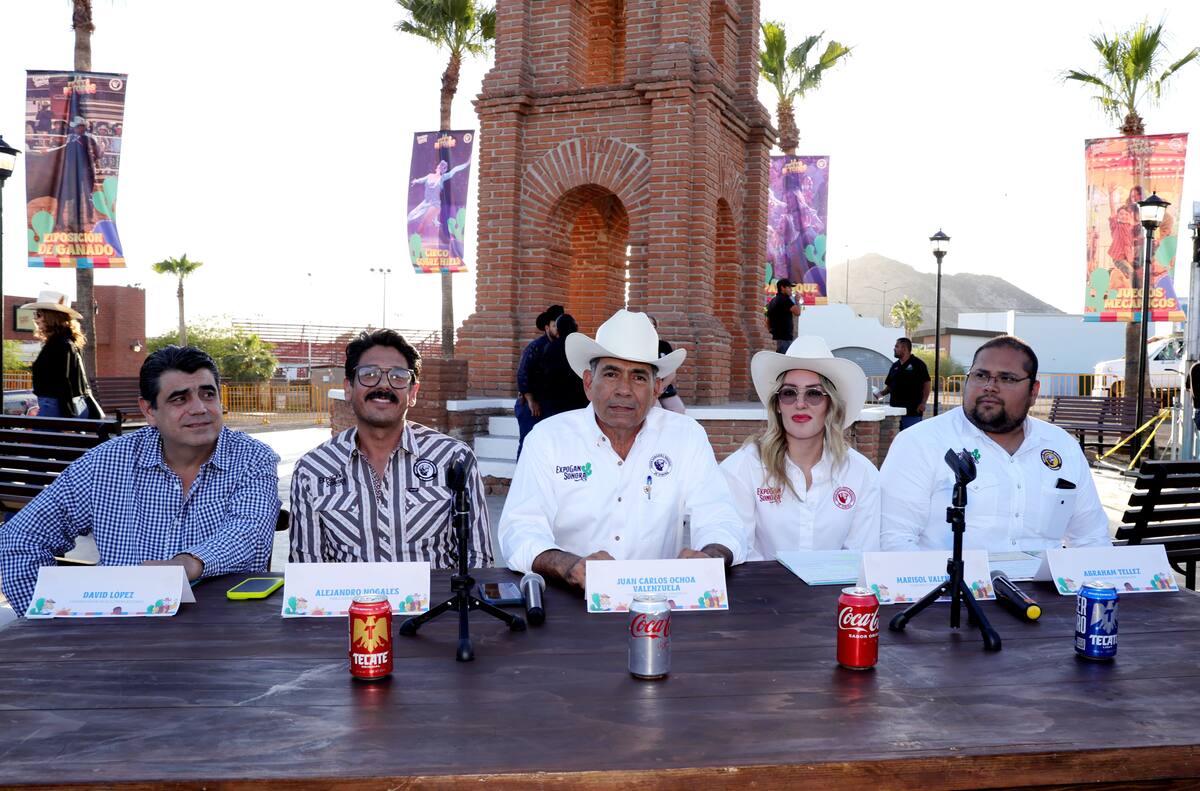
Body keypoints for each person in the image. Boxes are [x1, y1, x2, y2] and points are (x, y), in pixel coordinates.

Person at [0, 346, 281, 616]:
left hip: (221, 626)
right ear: (149, 411)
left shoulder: (252, 458)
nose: (199, 408)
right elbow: (19, 540)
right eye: (179, 399)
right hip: (120, 623)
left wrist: (189, 563)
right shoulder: (106, 463)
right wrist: (50, 617)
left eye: (208, 394)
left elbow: (248, 533)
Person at [498, 309, 747, 589]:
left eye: (638, 377)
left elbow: (720, 517)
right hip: (568, 597)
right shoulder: (547, 439)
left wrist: (710, 557)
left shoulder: (686, 436)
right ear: (589, 383)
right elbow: (520, 529)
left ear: (657, 389)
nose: (624, 390)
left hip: (659, 598)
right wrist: (568, 566)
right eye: (611, 374)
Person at [879, 335, 1111, 552]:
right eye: (980, 375)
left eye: (1007, 378)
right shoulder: (920, 443)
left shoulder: (1062, 446)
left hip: (1045, 583)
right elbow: (893, 541)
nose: (990, 386)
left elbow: (1091, 539)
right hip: (950, 582)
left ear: (1033, 391)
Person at [289, 330, 491, 568]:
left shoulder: (453, 459)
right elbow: (306, 569)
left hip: (436, 594)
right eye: (369, 374)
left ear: (413, 392)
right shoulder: (313, 469)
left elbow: (478, 560)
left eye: (398, 376)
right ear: (348, 388)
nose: (384, 384)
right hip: (348, 595)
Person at [721, 337, 880, 558]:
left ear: (831, 405)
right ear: (778, 405)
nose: (800, 403)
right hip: (760, 582)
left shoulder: (861, 473)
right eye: (789, 393)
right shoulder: (743, 467)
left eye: (814, 393)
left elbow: (862, 558)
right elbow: (738, 549)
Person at [23, 291, 100, 419]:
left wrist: (67, 415)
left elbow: (64, 381)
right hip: (65, 404)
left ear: (51, 317)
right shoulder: (68, 341)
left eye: (39, 314)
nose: (36, 319)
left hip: (55, 405)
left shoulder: (59, 343)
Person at [515, 304, 563, 457]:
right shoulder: (536, 347)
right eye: (555, 326)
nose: (558, 329)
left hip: (551, 406)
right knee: (528, 443)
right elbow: (523, 373)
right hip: (532, 406)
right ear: (547, 327)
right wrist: (530, 400)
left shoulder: (563, 347)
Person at [538, 313, 589, 420]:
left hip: (555, 403)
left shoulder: (550, 348)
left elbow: (543, 375)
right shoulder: (581, 346)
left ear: (558, 329)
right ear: (575, 327)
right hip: (578, 403)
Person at [877, 337, 930, 430]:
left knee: (911, 436)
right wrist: (880, 394)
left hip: (912, 411)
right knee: (895, 436)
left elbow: (927, 384)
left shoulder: (918, 364)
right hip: (895, 411)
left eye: (896, 346)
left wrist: (923, 403)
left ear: (904, 349)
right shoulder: (895, 366)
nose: (894, 349)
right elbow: (890, 386)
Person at [649, 315, 685, 414]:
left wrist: (661, 387)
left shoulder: (664, 345)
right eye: (648, 324)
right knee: (657, 412)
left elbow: (671, 371)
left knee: (679, 410)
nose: (651, 327)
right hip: (647, 389)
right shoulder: (635, 347)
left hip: (663, 387)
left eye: (653, 325)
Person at [765, 279, 801, 353]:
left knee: (778, 358)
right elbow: (797, 312)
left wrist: (771, 332)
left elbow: (767, 321)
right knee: (784, 358)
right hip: (784, 338)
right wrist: (797, 301)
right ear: (782, 288)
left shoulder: (773, 300)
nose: (791, 289)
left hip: (775, 338)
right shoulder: (785, 299)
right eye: (789, 287)